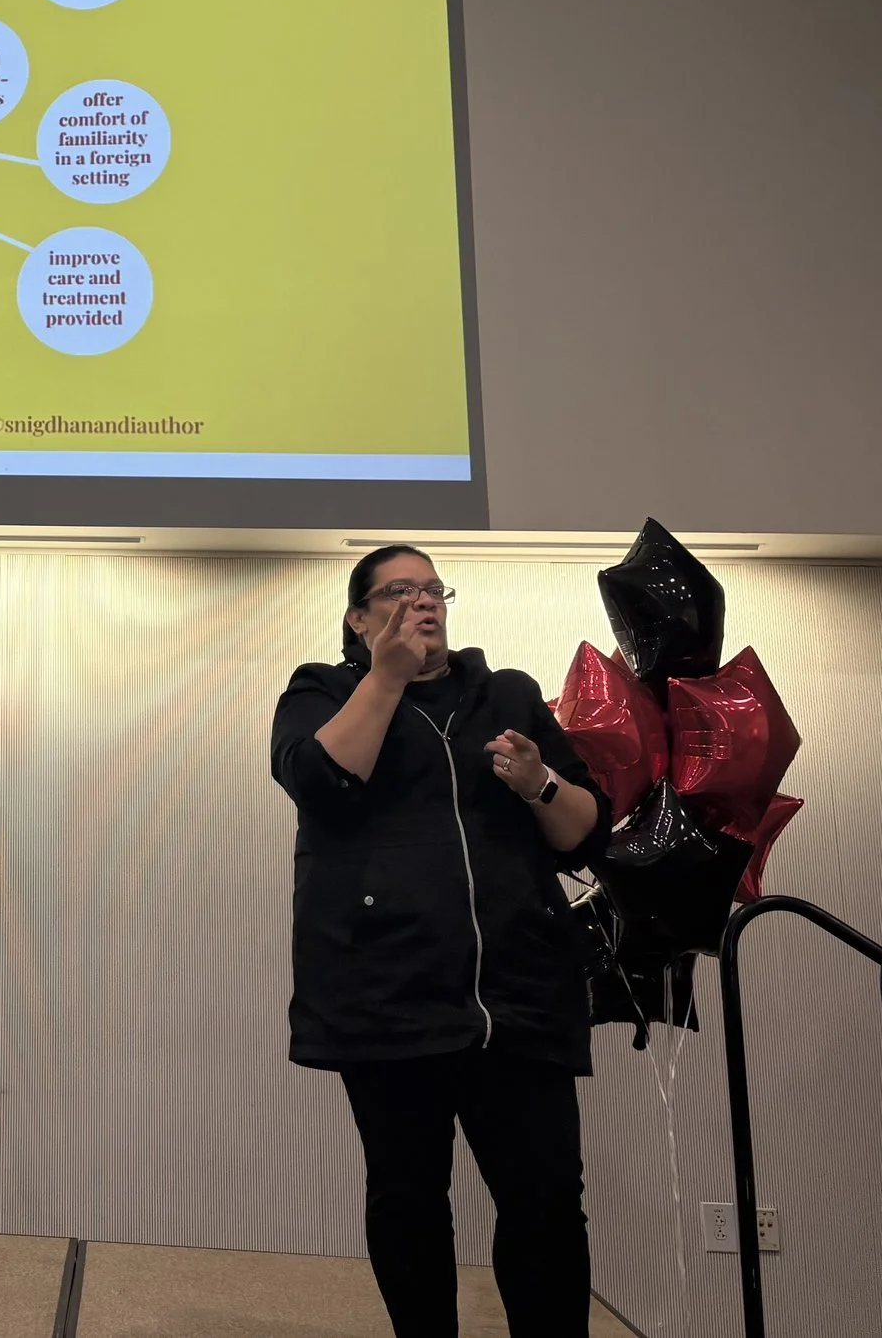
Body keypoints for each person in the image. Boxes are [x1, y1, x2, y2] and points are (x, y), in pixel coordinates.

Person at [269, 544, 608, 1338]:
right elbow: (319, 782)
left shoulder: (508, 694)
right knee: (410, 1197)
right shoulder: (322, 690)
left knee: (547, 1200)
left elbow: (584, 834)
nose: (424, 601)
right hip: (387, 999)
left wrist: (538, 783)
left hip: (519, 998)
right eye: (400, 590)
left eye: (433, 589)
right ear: (359, 619)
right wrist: (385, 678)